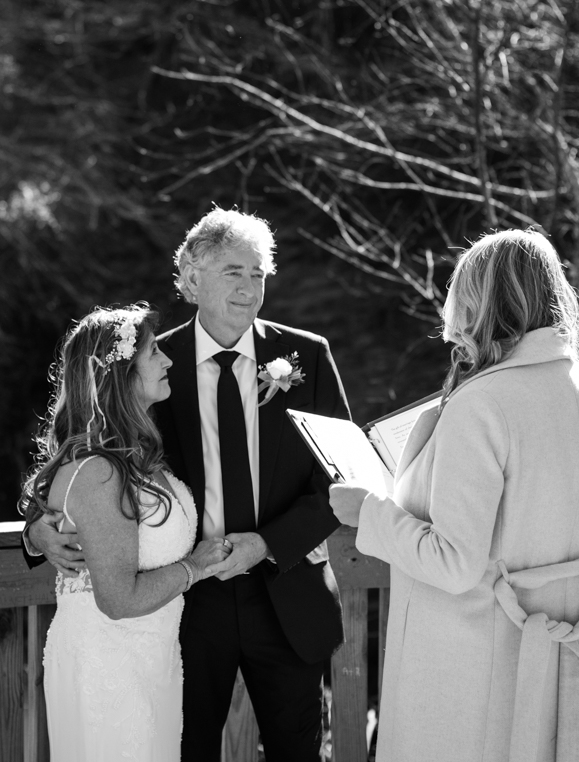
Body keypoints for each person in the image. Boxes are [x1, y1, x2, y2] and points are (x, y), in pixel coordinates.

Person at [28, 207, 351, 761]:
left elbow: (343, 484)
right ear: (193, 278)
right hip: (182, 610)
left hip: (287, 594)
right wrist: (36, 532)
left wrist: (268, 544)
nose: (250, 287)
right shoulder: (149, 364)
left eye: (259, 273)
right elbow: (81, 453)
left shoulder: (308, 358)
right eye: (234, 272)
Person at [329, 228, 579, 762]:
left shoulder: (483, 404)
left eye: (462, 300)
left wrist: (368, 512)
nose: (454, 322)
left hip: (472, 669)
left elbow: (455, 562)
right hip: (562, 654)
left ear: (486, 303)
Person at [18, 304, 230, 762]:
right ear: (119, 373)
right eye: (154, 352)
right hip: (107, 665)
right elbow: (117, 600)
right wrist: (196, 566)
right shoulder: (99, 471)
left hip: (152, 659)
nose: (168, 360)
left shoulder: (135, 456)